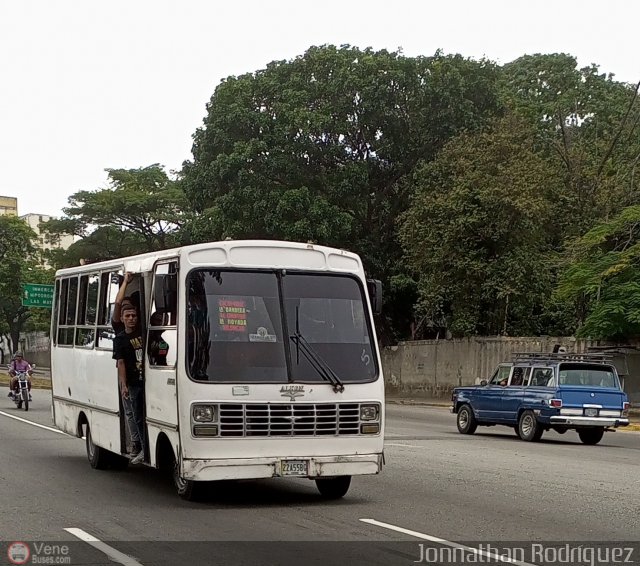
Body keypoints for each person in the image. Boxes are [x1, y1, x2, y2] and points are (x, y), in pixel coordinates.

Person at [112, 304, 145, 465]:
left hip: (146, 380)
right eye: (128, 316)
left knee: (143, 416)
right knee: (135, 416)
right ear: (122, 319)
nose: (131, 319)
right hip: (133, 382)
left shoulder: (143, 333)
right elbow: (121, 363)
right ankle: (139, 447)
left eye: (134, 316)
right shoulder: (120, 339)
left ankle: (143, 447)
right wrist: (123, 385)